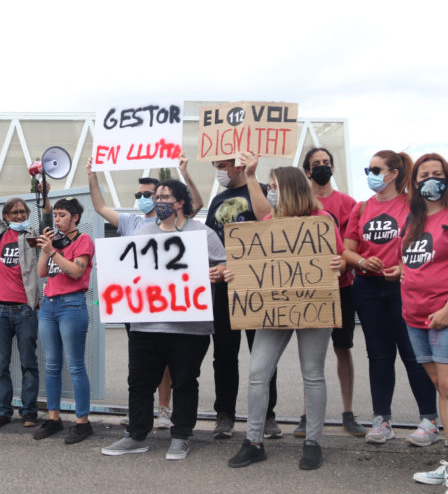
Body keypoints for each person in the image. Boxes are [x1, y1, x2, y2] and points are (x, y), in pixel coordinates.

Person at [226, 166, 345, 471]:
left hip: (313, 305)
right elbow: (250, 265)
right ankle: (253, 441)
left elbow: (341, 259)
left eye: (274, 185)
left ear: (290, 188)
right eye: (268, 186)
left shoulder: (322, 221)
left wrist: (338, 262)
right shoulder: (267, 222)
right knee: (257, 372)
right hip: (274, 308)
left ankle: (313, 442)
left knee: (313, 373)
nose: (270, 191)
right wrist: (234, 273)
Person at [101, 179, 225, 460]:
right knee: (140, 382)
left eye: (164, 196)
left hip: (189, 328)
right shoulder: (143, 232)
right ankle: (137, 435)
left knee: (185, 381)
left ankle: (180, 436)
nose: (158, 201)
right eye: (156, 196)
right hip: (146, 326)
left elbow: (224, 263)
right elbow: (129, 267)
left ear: (180, 202)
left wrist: (219, 272)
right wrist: (111, 269)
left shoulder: (202, 234)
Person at [88, 151, 203, 428]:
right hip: (137, 304)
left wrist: (185, 173)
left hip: (167, 302)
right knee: (140, 360)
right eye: (139, 194)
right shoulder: (131, 222)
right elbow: (101, 207)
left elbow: (197, 203)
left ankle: (164, 409)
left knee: (166, 360)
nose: (143, 198)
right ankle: (140, 409)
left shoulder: (177, 221)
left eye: (149, 194)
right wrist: (92, 175)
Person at [344, 150, 437, 445]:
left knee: (414, 356)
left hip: (403, 289)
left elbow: (427, 242)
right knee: (378, 356)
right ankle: (381, 420)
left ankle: (429, 421)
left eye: (376, 169)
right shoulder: (361, 208)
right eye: (367, 169)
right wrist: (360, 262)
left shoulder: (413, 204)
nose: (371, 174)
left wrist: (403, 268)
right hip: (368, 289)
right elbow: (346, 249)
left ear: (394, 174)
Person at [205, 152, 279, 439]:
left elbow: (268, 223)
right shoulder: (217, 200)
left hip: (255, 284)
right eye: (216, 166)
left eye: (222, 166)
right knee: (224, 353)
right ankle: (224, 413)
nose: (218, 172)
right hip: (223, 286)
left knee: (263, 353)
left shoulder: (260, 191)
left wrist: (252, 176)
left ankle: (267, 415)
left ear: (237, 165)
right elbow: (210, 240)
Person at [293, 148, 366, 437]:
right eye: (316, 164)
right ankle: (307, 413)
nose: (322, 167)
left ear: (333, 169)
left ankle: (348, 412)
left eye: (326, 163)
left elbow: (349, 248)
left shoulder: (349, 204)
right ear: (307, 172)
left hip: (342, 287)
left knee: (342, 348)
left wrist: (342, 258)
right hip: (308, 292)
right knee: (309, 355)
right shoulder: (299, 204)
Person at [0, 158, 52, 431]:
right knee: (0, 366)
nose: (19, 215)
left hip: (25, 310)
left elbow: (47, 219)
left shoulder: (34, 235)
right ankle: (2, 412)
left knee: (29, 364)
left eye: (23, 211)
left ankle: (29, 412)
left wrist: (44, 193)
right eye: (14, 212)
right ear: (5, 216)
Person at [34, 197, 95, 444]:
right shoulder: (55, 242)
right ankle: (54, 418)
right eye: (56, 215)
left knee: (76, 365)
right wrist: (45, 250)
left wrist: (53, 252)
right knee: (51, 364)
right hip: (49, 305)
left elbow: (76, 271)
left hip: (72, 304)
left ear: (75, 218)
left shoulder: (84, 241)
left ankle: (82, 422)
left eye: (62, 215)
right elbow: (41, 272)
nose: (57, 219)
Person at [404, 154, 448, 486]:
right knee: (441, 388)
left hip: (443, 315)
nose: (431, 179)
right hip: (414, 316)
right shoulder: (413, 220)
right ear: (415, 182)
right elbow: (411, 264)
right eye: (424, 174)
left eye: (437, 173)